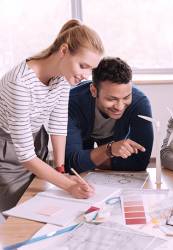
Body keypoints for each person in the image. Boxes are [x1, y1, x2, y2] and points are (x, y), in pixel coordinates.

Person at [0, 19, 104, 212]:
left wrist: (61, 170)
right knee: (17, 214)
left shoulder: (63, 77)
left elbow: (58, 123)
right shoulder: (20, 84)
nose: (86, 75)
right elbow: (25, 156)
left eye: (91, 69)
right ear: (64, 51)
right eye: (83, 65)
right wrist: (68, 185)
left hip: (35, 142)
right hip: (6, 151)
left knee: (39, 204)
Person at [65, 57, 153, 173]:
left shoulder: (139, 103)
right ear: (94, 91)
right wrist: (109, 151)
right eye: (112, 99)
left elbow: (139, 162)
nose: (120, 107)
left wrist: (87, 160)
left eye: (126, 97)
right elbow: (70, 164)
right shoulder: (71, 102)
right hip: (85, 140)